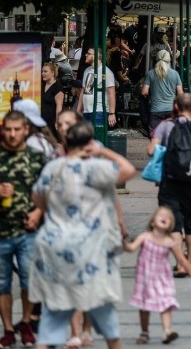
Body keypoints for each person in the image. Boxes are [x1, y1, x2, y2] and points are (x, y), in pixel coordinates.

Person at [28, 120, 135, 349]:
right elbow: (128, 170)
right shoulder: (96, 168)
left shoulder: (52, 168)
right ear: (89, 143)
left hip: (54, 248)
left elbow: (37, 199)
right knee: (107, 322)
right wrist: (102, 151)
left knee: (52, 318)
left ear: (65, 142)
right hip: (91, 253)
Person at [147, 93, 191, 278]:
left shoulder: (165, 126)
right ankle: (188, 262)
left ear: (175, 107)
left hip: (169, 182)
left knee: (175, 225)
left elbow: (150, 150)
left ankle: (179, 264)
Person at [0, 111, 48, 349]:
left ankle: (27, 323)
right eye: (8, 129)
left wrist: (38, 212)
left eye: (17, 129)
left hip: (29, 230)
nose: (12, 134)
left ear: (26, 130)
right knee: (2, 283)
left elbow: (49, 191)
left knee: (29, 281)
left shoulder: (37, 158)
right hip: (1, 231)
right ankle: (8, 329)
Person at [125, 206, 191, 344]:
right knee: (144, 307)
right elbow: (131, 248)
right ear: (153, 222)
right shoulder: (145, 236)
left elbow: (182, 259)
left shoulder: (169, 241)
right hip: (145, 279)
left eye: (168, 217)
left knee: (166, 303)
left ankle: (167, 331)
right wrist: (123, 242)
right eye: (161, 215)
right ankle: (144, 332)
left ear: (170, 225)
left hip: (162, 279)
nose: (164, 217)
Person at [143, 50, 184, 133]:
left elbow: (144, 92)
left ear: (156, 59)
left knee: (155, 138)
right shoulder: (175, 74)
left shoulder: (150, 73)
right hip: (171, 110)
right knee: (170, 137)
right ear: (169, 60)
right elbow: (180, 93)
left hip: (156, 110)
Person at [77, 47, 117, 128]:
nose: (86, 55)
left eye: (88, 53)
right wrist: (78, 111)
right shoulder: (87, 70)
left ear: (95, 56)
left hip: (99, 111)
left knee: (97, 136)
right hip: (87, 111)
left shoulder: (106, 72)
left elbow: (111, 93)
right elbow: (84, 91)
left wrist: (112, 113)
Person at [41, 63, 63, 137]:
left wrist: (57, 121)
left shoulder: (57, 87)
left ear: (52, 73)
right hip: (41, 119)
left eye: (45, 71)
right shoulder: (42, 85)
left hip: (51, 120)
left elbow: (59, 105)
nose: (43, 73)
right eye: (42, 71)